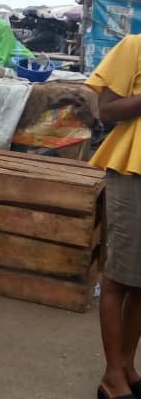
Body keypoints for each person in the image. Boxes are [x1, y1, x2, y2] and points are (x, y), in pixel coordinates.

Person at [85, 34, 141, 399]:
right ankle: (111, 376)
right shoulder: (135, 46)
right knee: (120, 276)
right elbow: (105, 110)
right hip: (133, 169)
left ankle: (128, 366)